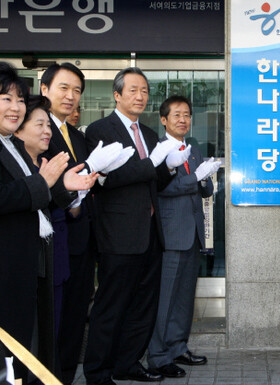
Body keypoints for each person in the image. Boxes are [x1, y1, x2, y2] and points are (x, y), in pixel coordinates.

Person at [0, 61, 96, 380]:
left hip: (31, 266)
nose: (15, 107)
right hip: (2, 271)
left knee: (33, 347)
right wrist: (43, 183)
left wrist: (60, 186)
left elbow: (33, 194)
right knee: (7, 354)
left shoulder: (10, 143)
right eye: (6, 98)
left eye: (18, 99)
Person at [83, 67, 191, 385]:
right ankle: (98, 372)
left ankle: (127, 363)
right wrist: (151, 164)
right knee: (111, 306)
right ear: (117, 95)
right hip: (118, 234)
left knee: (143, 307)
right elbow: (107, 180)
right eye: (133, 90)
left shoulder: (149, 134)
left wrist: (168, 169)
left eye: (144, 90)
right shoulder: (100, 130)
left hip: (150, 234)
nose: (140, 96)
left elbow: (152, 180)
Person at [147, 96, 220, 378]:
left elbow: (207, 190)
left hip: (194, 235)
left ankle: (179, 347)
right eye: (176, 115)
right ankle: (158, 355)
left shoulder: (194, 149)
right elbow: (164, 188)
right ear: (164, 119)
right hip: (170, 234)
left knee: (184, 297)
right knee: (165, 298)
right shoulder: (158, 150)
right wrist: (194, 179)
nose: (183, 120)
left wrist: (204, 177)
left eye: (187, 115)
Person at [40, 62, 96, 385]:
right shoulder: (35, 130)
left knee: (75, 322)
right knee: (54, 325)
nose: (71, 96)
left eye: (76, 91)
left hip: (83, 241)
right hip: (53, 242)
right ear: (44, 88)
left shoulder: (77, 135)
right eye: (64, 88)